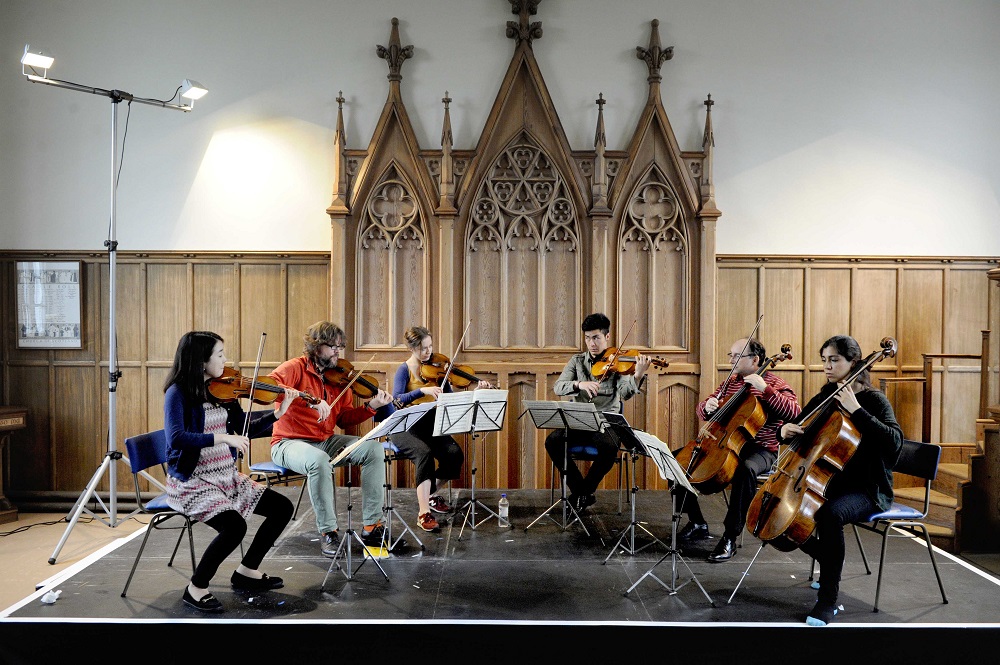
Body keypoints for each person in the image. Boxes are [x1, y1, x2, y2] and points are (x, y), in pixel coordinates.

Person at [163, 331, 295, 613]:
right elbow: (176, 438)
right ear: (201, 361)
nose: (226, 360)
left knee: (282, 507)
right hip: (192, 481)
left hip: (226, 477)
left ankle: (247, 571)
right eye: (220, 355)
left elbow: (242, 425)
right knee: (235, 526)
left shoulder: (222, 390)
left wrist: (276, 414)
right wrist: (222, 438)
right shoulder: (178, 394)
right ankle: (196, 588)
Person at [781, 334, 902, 626]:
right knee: (783, 519)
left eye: (834, 360)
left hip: (868, 488)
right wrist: (783, 430)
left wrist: (857, 411)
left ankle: (828, 600)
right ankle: (830, 560)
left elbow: (895, 444)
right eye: (824, 360)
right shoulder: (826, 395)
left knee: (830, 515)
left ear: (854, 362)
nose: (827, 366)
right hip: (829, 482)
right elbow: (800, 425)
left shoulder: (874, 400)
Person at [269, 321, 394, 556]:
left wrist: (371, 407)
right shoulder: (295, 368)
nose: (338, 352)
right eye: (333, 347)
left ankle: (372, 526)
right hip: (288, 442)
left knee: (374, 450)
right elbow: (269, 386)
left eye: (340, 347)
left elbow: (344, 420)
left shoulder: (338, 377)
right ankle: (329, 532)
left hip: (325, 440)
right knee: (318, 461)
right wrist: (311, 400)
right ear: (316, 347)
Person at [672, 337, 801, 563]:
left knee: (746, 470)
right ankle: (697, 522)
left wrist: (766, 389)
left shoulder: (775, 383)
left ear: (755, 360)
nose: (731, 360)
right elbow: (703, 410)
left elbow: (794, 413)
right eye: (731, 355)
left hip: (761, 449)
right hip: (725, 443)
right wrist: (707, 406)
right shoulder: (731, 383)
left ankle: (730, 536)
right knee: (676, 460)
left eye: (736, 356)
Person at [387, 326, 490, 532]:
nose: (428, 352)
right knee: (423, 454)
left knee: (454, 455)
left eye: (430, 346)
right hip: (405, 426)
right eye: (423, 348)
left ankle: (430, 494)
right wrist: (421, 391)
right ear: (412, 348)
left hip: (431, 425)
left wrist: (476, 391)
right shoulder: (404, 370)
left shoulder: (439, 370)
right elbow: (396, 400)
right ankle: (424, 513)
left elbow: (451, 399)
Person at [545, 312, 650, 513]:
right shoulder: (577, 361)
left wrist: (637, 375)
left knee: (609, 447)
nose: (591, 343)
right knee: (553, 441)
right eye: (587, 338)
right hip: (579, 420)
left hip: (605, 424)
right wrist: (579, 384)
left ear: (607, 337)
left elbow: (626, 394)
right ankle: (581, 491)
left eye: (596, 338)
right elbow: (559, 387)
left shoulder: (618, 362)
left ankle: (582, 493)